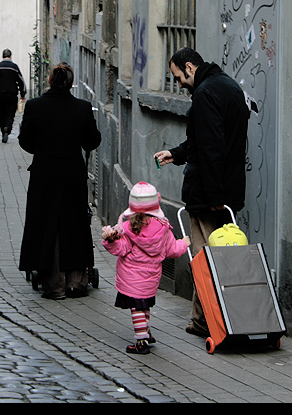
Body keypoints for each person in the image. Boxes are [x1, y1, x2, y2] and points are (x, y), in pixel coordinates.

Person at [153, 47, 251, 338]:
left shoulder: (205, 94)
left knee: (205, 258)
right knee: (217, 257)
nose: (178, 83)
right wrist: (176, 153)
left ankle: (211, 320)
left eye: (178, 76)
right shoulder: (229, 86)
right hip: (227, 189)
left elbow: (211, 149)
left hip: (210, 196)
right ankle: (200, 319)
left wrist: (213, 197)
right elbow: (211, 142)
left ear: (190, 67)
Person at [17, 62, 101, 299]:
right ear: (71, 83)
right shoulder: (82, 108)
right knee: (74, 222)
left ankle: (54, 283)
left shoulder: (35, 106)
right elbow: (92, 142)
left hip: (45, 173)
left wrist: (43, 150)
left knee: (47, 224)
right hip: (72, 173)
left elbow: (25, 141)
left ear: (49, 81)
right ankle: (76, 280)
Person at [102, 181, 190, 355]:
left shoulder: (127, 229)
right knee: (144, 306)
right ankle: (147, 333)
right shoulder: (164, 229)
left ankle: (141, 341)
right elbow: (172, 250)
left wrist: (110, 240)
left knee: (136, 309)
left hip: (131, 278)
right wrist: (184, 243)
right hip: (151, 278)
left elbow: (120, 249)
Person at [0, 49, 27, 143]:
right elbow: (21, 81)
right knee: (10, 113)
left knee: (1, 113)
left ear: (2, 56)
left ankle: (3, 131)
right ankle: (7, 128)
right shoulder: (14, 67)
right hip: (12, 94)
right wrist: (22, 93)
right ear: (11, 56)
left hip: (0, 94)